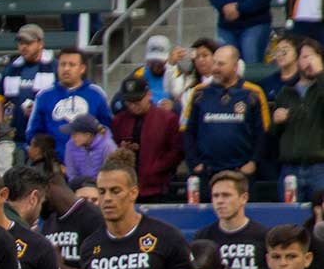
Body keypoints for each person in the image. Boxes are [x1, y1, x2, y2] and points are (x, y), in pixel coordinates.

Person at [81, 157, 201, 269]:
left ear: (133, 193)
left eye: (115, 191)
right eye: (102, 191)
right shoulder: (90, 246)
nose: (107, 198)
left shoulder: (166, 237)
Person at [183, 45, 269, 193]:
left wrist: (253, 162)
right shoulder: (199, 93)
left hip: (241, 172)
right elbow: (187, 131)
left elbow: (263, 132)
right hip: (207, 172)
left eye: (221, 64)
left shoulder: (253, 93)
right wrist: (195, 163)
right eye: (214, 62)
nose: (215, 68)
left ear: (235, 66)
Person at [111, 77, 184, 201]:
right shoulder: (118, 121)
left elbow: (176, 151)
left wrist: (157, 169)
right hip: (126, 187)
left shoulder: (167, 119)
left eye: (138, 101)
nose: (133, 106)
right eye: (129, 102)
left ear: (148, 95)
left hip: (157, 187)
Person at [271, 37, 324, 201]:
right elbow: (273, 134)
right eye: (305, 56)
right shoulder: (286, 93)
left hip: (319, 168)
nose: (309, 61)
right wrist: (277, 122)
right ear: (297, 61)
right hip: (290, 168)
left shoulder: (320, 91)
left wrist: (320, 73)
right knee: (290, 220)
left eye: (313, 56)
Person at [26, 48, 112, 147]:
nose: (66, 69)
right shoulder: (44, 96)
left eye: (72, 65)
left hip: (88, 160)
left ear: (82, 68)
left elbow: (106, 129)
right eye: (63, 64)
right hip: (53, 160)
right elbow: (33, 133)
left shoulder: (96, 94)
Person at [195, 171, 270, 269]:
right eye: (215, 196)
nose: (219, 201)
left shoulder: (264, 236)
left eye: (226, 195)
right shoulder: (203, 237)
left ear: (244, 198)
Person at [61, 114, 116, 181]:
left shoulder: (108, 147)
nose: (72, 138)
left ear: (88, 135)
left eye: (75, 134)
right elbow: (71, 174)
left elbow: (111, 175)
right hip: (79, 187)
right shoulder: (70, 145)